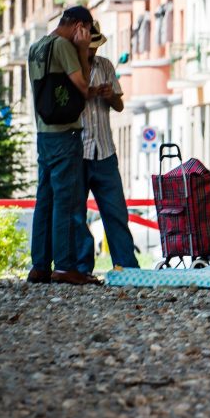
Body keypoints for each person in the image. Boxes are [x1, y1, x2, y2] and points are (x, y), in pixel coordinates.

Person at [27, 6, 98, 285]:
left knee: (44, 199)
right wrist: (81, 51)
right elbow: (82, 85)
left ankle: (40, 265)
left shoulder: (37, 46)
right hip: (65, 132)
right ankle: (66, 266)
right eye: (88, 31)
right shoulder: (64, 46)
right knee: (67, 202)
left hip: (44, 133)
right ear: (80, 26)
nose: (88, 38)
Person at [71, 22, 140, 273]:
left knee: (116, 213)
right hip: (78, 151)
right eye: (88, 48)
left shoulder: (107, 66)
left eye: (94, 48)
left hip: (105, 150)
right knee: (77, 215)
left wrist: (109, 94)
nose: (92, 53)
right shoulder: (71, 68)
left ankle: (126, 267)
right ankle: (82, 267)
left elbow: (119, 106)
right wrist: (88, 92)